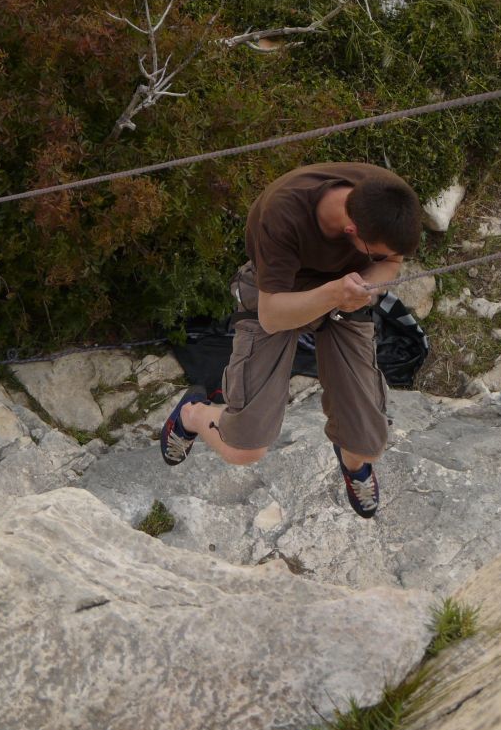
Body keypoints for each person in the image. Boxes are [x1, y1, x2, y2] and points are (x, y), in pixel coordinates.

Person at [160, 162, 422, 519]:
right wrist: (332, 293)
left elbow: (391, 262)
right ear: (351, 228)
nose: (378, 257)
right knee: (243, 449)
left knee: (368, 442)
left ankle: (353, 465)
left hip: (345, 291)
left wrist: (368, 286)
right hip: (278, 294)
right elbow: (272, 314)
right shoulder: (283, 214)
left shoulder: (387, 198)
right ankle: (192, 414)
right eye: (372, 252)